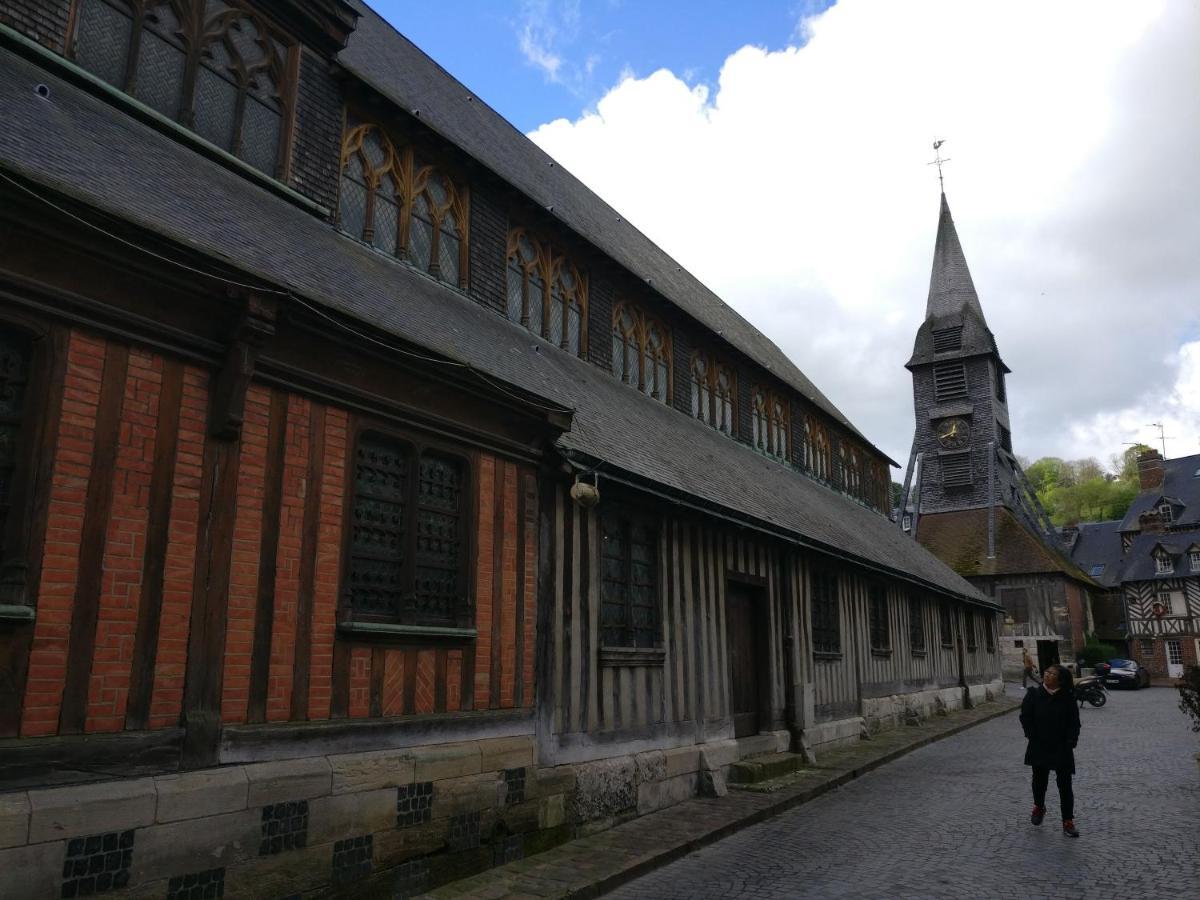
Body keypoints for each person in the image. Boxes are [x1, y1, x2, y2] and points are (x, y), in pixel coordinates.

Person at [1020, 664, 1081, 837]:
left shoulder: (1067, 697)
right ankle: (1039, 806)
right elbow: (1025, 716)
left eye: (1052, 673)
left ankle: (1067, 821)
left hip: (1062, 746)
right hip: (1040, 743)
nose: (1047, 675)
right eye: (1046, 672)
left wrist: (1071, 740)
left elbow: (1074, 721)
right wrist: (1031, 734)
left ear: (1060, 678)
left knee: (1065, 785)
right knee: (1039, 780)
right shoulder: (1034, 694)